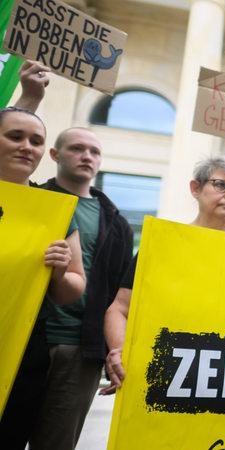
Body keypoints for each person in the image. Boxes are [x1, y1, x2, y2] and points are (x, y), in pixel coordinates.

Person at [102, 155, 225, 394]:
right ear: (196, 188)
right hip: (164, 374)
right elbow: (119, 308)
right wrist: (119, 350)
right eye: (221, 185)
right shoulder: (162, 243)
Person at [27, 128, 134, 450]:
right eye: (77, 148)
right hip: (25, 337)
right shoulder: (33, 198)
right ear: (55, 155)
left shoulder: (117, 223)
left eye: (94, 151)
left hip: (80, 347)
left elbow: (120, 296)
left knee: (57, 443)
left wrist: (114, 347)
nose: (87, 156)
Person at [0, 106, 86, 449]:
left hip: (24, 348)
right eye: (15, 137)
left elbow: (73, 289)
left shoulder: (54, 210)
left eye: (36, 141)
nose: (27, 147)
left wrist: (60, 272)